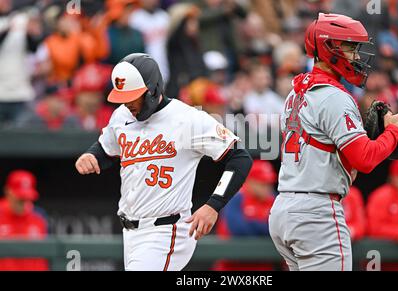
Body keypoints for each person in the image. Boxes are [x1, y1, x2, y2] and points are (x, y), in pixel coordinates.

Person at [74, 53, 253, 271]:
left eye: (133, 96)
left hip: (166, 230)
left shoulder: (186, 118)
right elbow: (106, 148)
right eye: (123, 96)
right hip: (130, 231)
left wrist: (213, 205)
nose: (126, 102)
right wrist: (92, 156)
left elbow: (239, 157)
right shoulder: (122, 115)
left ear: (152, 89)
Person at [269, 13, 398, 271]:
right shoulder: (334, 96)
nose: (356, 57)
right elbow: (365, 160)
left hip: (284, 208)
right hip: (316, 212)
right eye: (350, 48)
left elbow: (331, 155)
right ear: (329, 48)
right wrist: (392, 133)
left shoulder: (296, 91)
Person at [214, 160, 277, 271]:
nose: (267, 187)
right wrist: (264, 228)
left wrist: (251, 224)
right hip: (232, 266)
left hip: (263, 266)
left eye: (269, 183)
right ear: (250, 181)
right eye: (262, 183)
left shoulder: (273, 200)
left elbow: (280, 231)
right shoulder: (235, 198)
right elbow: (238, 230)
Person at [0, 170, 48, 271]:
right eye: (20, 199)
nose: (24, 203)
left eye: (27, 198)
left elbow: (43, 258)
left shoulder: (38, 217)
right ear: (8, 191)